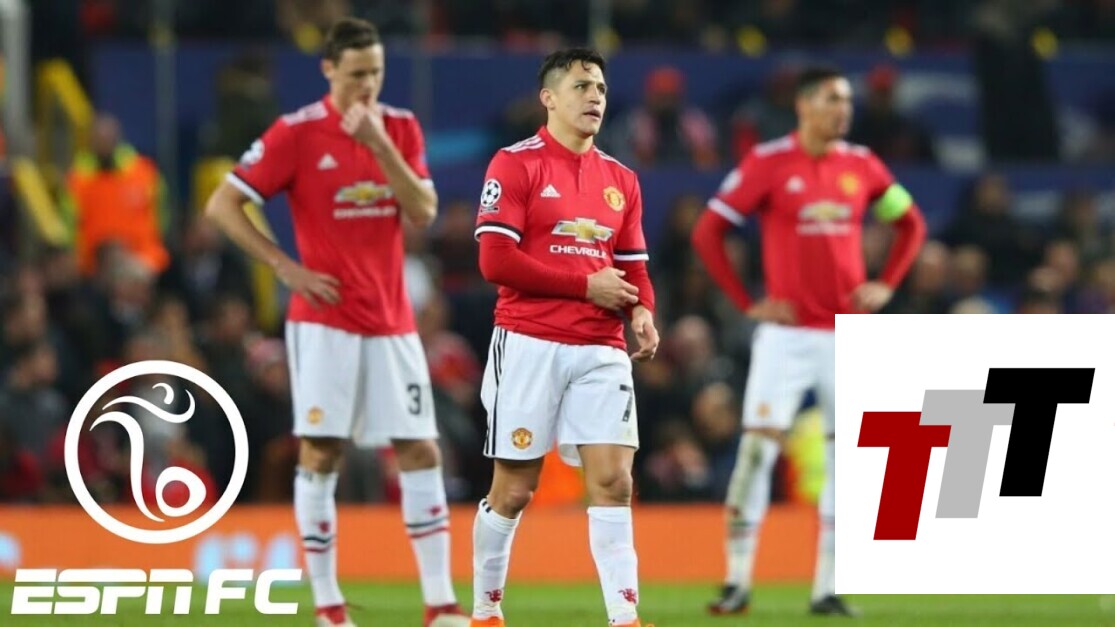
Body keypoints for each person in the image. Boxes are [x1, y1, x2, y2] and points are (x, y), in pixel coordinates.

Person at [204, 17, 469, 627]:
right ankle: (328, 605)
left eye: (376, 72)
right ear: (328, 70)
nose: (367, 85)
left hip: (392, 321)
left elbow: (423, 211)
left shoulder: (399, 126)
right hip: (324, 321)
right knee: (322, 451)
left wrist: (379, 146)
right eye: (356, 74)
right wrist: (284, 267)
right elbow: (223, 204)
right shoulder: (296, 132)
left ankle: (439, 603)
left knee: (420, 448)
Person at [691, 64, 927, 617]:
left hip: (848, 334)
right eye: (831, 99)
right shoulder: (769, 162)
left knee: (847, 459)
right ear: (803, 106)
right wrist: (747, 301)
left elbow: (911, 224)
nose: (843, 110)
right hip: (786, 335)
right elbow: (708, 231)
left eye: (846, 100)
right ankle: (736, 581)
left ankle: (828, 587)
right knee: (756, 451)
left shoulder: (862, 165)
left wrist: (887, 283)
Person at [469, 48, 659, 627]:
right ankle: (485, 609)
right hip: (529, 341)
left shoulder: (621, 179)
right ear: (549, 98)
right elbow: (495, 261)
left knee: (614, 481)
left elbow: (634, 267)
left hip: (601, 347)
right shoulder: (515, 164)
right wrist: (585, 285)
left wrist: (643, 311)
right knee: (515, 490)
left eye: (600, 87)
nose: (595, 96)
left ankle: (625, 618)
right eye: (581, 86)